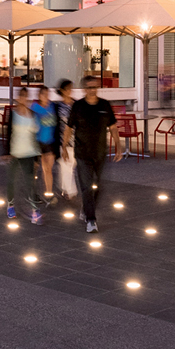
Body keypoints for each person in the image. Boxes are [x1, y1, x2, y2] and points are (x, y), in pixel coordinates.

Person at [65, 75, 118, 232]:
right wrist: (63, 147)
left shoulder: (105, 105)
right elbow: (69, 127)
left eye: (95, 86)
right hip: (82, 153)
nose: (92, 90)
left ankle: (86, 208)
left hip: (100, 153)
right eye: (89, 87)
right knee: (87, 186)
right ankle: (91, 219)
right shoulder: (78, 106)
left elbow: (113, 126)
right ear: (84, 89)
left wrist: (119, 146)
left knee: (97, 186)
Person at [3, 83, 45, 223]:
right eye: (21, 96)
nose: (23, 98)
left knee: (30, 183)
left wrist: (37, 158)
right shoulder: (13, 114)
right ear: (18, 98)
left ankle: (35, 211)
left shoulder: (32, 115)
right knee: (11, 181)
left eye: (25, 96)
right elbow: (8, 134)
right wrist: (6, 152)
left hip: (29, 152)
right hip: (15, 153)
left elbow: (35, 135)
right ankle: (10, 205)